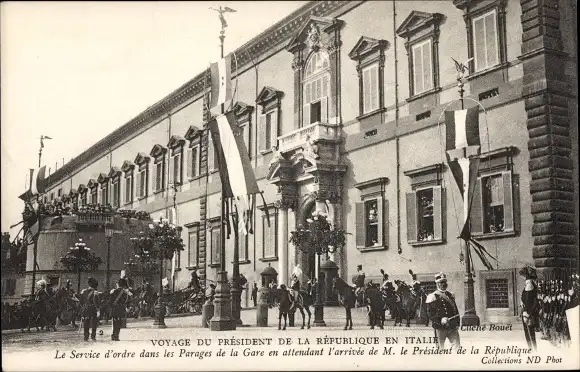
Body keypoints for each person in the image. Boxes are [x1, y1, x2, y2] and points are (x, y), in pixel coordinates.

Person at [426, 272, 461, 350]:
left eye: (445, 282)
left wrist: (457, 323)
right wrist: (440, 320)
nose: (444, 284)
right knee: (440, 349)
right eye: (441, 282)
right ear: (437, 284)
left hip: (452, 327)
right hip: (440, 328)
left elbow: (455, 310)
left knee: (457, 347)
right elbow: (430, 313)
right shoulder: (432, 296)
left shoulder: (450, 295)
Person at [519, 266, 539, 351]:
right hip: (527, 313)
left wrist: (528, 312)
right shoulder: (530, 286)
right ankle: (532, 349)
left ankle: (533, 350)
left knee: (530, 333)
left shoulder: (529, 286)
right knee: (529, 333)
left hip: (528, 314)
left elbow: (532, 302)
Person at [79, 277, 100, 341]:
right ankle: (93, 337)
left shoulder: (83, 292)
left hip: (85, 309)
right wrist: (98, 310)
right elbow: (97, 302)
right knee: (94, 323)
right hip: (93, 309)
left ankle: (86, 337)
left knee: (86, 323)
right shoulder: (95, 292)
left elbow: (81, 302)